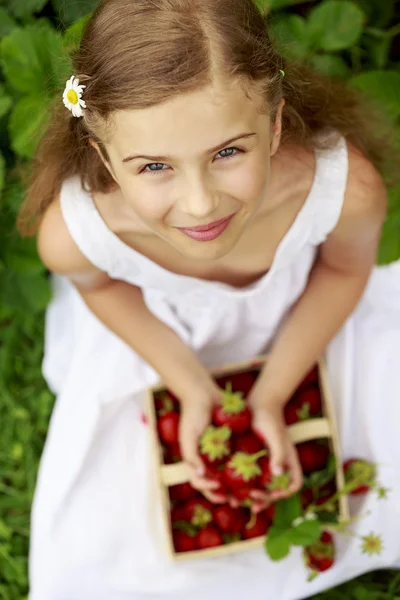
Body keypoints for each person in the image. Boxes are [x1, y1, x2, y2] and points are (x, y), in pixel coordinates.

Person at [18, 0, 400, 598]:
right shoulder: (78, 237)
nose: (199, 206)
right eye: (153, 167)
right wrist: (191, 385)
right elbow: (100, 287)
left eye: (227, 153)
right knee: (105, 536)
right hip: (166, 337)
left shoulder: (344, 191)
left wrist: (272, 393)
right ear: (103, 158)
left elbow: (345, 273)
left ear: (274, 124)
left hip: (308, 319)